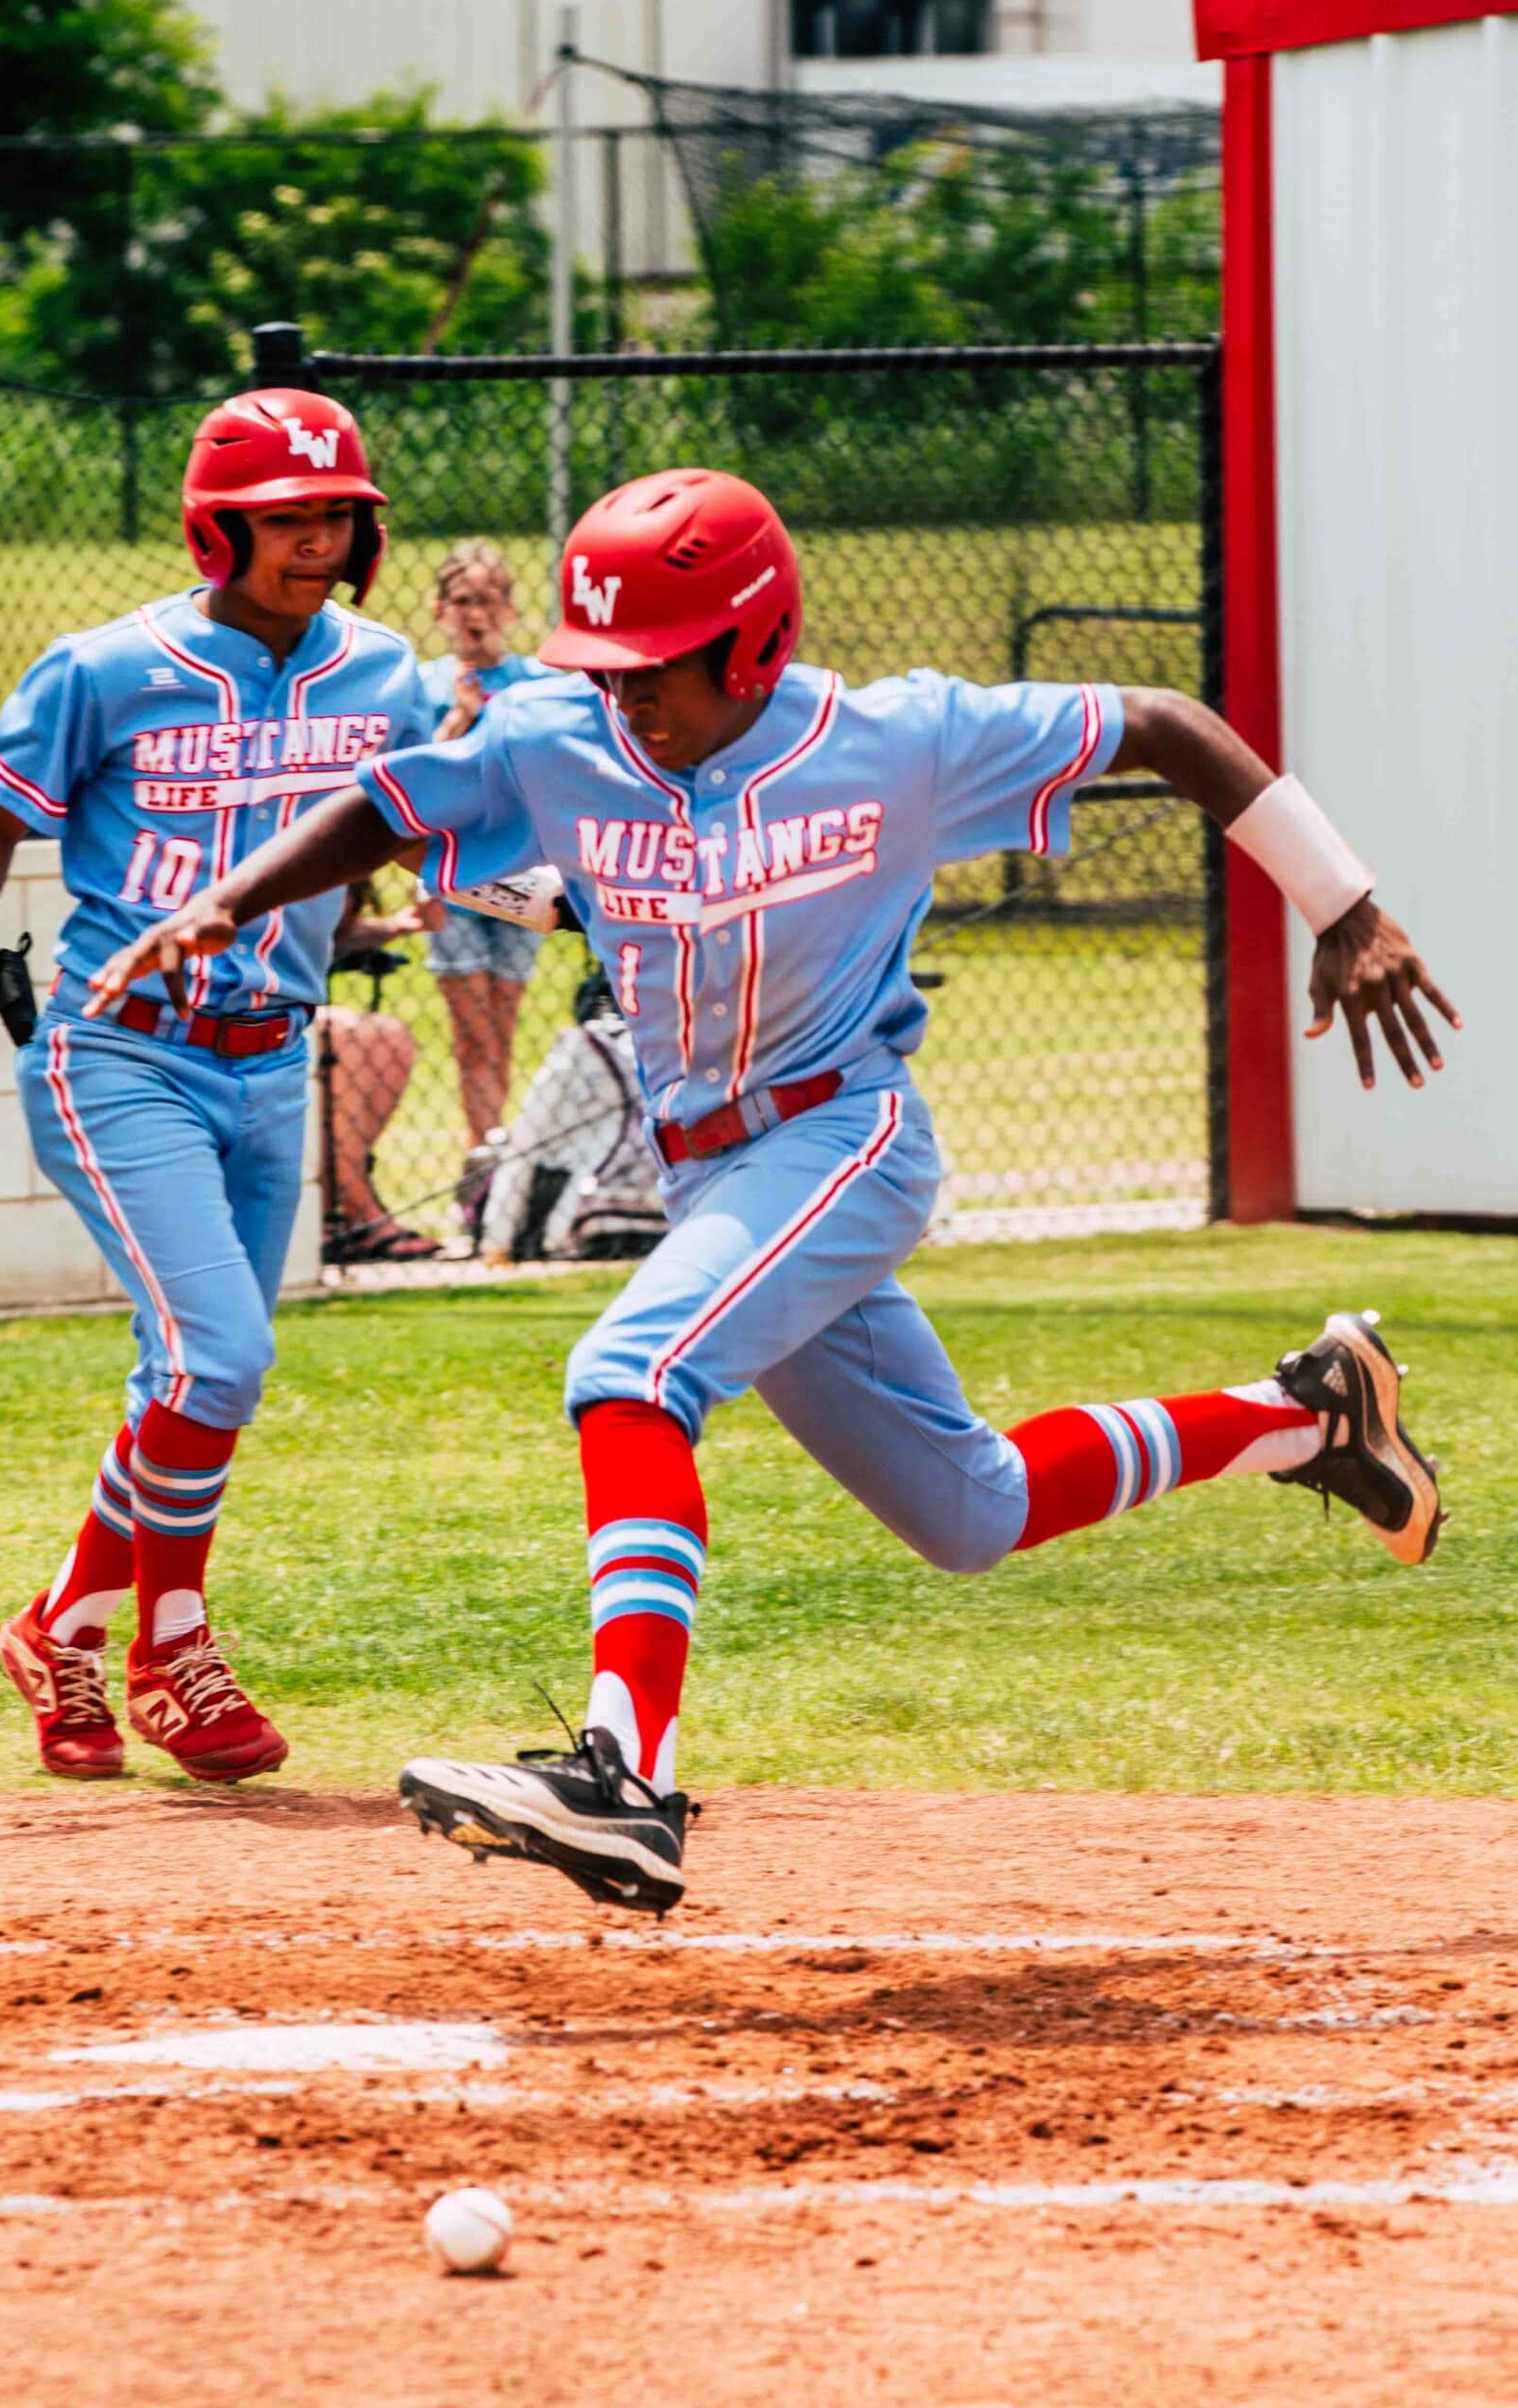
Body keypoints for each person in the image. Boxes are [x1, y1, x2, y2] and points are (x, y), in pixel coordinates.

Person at [88, 467, 1460, 1905]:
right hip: (710, 1176)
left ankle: (623, 1773)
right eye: (602, 669)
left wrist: (1343, 907)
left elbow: (1166, 727)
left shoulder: (901, 740)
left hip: (842, 1138)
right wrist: (219, 903)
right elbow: (390, 807)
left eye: (652, 668)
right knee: (966, 1510)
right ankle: (1299, 1415)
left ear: (751, 645)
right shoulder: (561, 734)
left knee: (628, 1371)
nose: (623, 697)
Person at [0, 385, 427, 1784]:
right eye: (283, 519)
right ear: (215, 530)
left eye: (335, 517)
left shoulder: (385, 675)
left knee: (193, 1377)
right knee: (222, 1357)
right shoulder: (103, 668)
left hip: (271, 1065)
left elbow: (422, 831)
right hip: (120, 1054)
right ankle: (168, 1649)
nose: (314, 542)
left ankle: (60, 1624)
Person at [420, 543, 552, 1212]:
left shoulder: (537, 683)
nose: (476, 615)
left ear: (510, 608)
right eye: (464, 602)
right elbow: (419, 782)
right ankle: (483, 1175)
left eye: (489, 600)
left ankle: (497, 1160)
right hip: (453, 874)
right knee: (471, 1033)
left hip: (523, 874)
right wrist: (458, 718)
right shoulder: (425, 684)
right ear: (442, 610)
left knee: (503, 1024)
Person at [479, 969, 667, 1267]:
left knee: (525, 1146)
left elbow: (526, 1140)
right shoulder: (675, 1042)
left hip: (587, 1220)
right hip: (674, 1210)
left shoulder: (580, 1043)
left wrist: (497, 1241)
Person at [318, 881, 445, 1263]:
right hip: (248, 1006)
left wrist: (397, 926)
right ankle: (359, 1210)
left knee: (390, 1035)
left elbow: (327, 938)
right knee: (348, 1036)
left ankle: (333, 1203)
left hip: (300, 1013)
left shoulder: (339, 854)